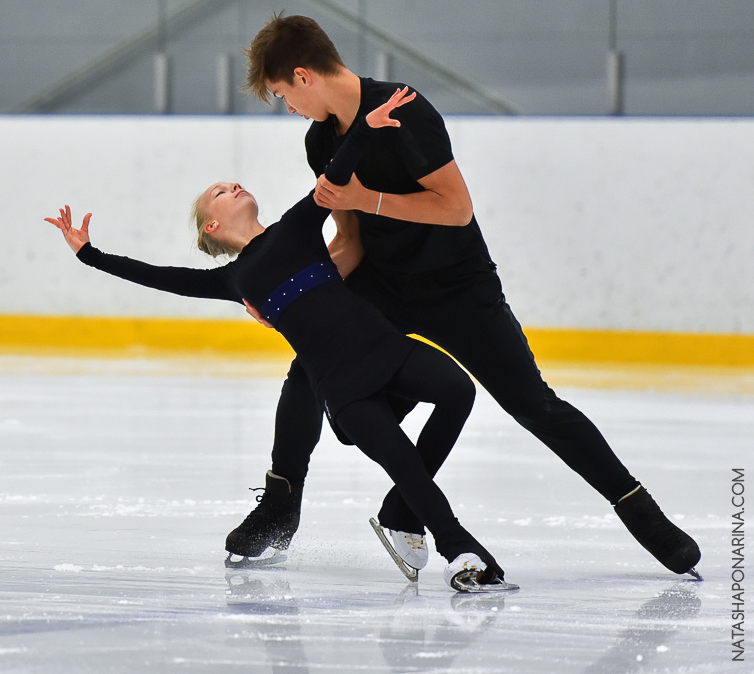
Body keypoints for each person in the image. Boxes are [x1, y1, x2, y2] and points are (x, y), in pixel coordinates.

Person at [230, 12, 701, 580]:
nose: (289, 108)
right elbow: (349, 241)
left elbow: (455, 208)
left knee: (532, 403)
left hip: (458, 286)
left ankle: (642, 514)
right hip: (381, 283)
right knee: (307, 366)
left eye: (283, 95)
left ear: (304, 76)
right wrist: (291, 295)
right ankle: (281, 504)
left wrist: (370, 197)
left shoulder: (405, 110)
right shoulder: (320, 140)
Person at [45, 88, 518, 593]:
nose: (234, 185)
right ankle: (460, 551)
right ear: (214, 224)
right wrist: (90, 254)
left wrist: (369, 125)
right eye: (221, 192)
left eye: (232, 182)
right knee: (402, 459)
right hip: (343, 386)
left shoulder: (295, 228)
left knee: (459, 391)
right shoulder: (234, 280)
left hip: (387, 347)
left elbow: (334, 178)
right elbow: (161, 276)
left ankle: (401, 509)